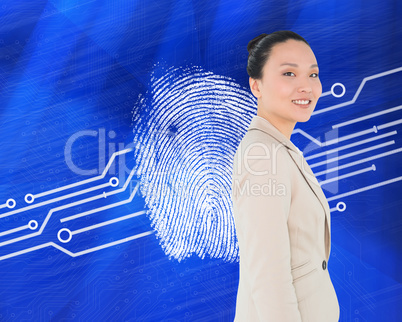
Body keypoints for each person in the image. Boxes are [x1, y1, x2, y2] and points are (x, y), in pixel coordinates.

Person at [231, 31, 340, 321]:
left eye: (313, 75)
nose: (306, 86)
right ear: (256, 86)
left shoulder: (279, 149)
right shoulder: (262, 156)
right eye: (289, 73)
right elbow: (269, 279)